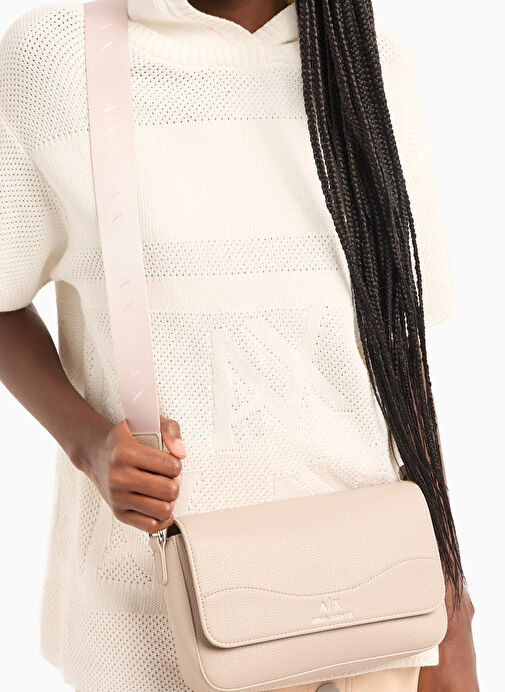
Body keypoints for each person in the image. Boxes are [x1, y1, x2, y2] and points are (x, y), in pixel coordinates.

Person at [0, 1, 478, 691]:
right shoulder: (57, 59)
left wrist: (452, 609)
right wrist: (89, 445)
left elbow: (401, 357)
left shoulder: (369, 60)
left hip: (376, 620)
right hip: (155, 633)